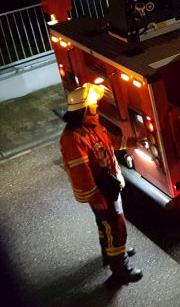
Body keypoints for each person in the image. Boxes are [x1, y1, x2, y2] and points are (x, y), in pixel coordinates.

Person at [60, 83, 143, 283]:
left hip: (107, 185)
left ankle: (111, 253)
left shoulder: (92, 127)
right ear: (85, 108)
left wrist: (132, 142)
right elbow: (80, 171)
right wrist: (94, 195)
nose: (96, 107)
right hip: (100, 189)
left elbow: (110, 141)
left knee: (105, 223)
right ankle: (120, 269)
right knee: (115, 225)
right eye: (93, 105)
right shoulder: (73, 137)